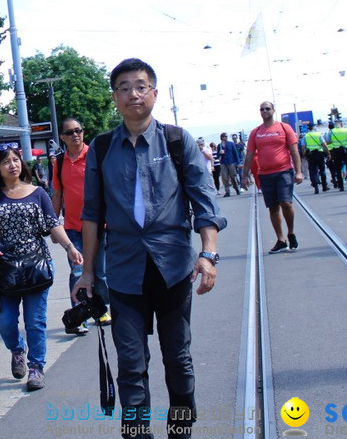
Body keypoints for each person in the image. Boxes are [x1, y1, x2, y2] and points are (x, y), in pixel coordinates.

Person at [75, 58, 225, 437]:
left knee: (178, 357)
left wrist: (207, 255)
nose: (133, 94)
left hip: (173, 266)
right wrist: (88, 272)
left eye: (140, 86)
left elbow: (205, 203)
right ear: (115, 97)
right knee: (130, 361)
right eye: (124, 88)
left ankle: (180, 428)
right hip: (125, 271)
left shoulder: (178, 141)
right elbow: (91, 214)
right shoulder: (103, 147)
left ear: (154, 93)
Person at [0, 143, 83, 391]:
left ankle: (36, 367)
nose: (12, 165)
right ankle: (17, 349)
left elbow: (52, 224)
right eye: (6, 161)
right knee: (5, 320)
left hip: (37, 264)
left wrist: (69, 246)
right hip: (5, 268)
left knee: (35, 321)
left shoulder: (38, 193)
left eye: (15, 159)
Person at [51, 117, 109, 337]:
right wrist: (53, 224)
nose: (76, 134)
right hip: (73, 227)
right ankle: (80, 315)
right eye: (70, 132)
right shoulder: (60, 162)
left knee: (100, 272)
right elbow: (57, 193)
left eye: (79, 130)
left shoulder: (94, 156)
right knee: (78, 271)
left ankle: (101, 311)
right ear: (63, 138)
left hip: (97, 225)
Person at [242, 102, 304, 254]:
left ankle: (291, 233)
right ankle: (281, 240)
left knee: (286, 203)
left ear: (273, 111)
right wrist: (245, 175)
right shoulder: (256, 132)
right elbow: (249, 154)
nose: (264, 111)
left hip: (283, 171)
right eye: (262, 109)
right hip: (265, 174)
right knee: (273, 207)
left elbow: (294, 151)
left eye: (267, 108)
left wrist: (299, 171)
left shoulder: (284, 128)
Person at [303, 121, 330, 192]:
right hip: (319, 154)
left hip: (311, 155)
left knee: (312, 171)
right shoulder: (318, 134)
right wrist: (328, 153)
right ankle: (324, 186)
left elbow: (303, 147)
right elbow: (324, 144)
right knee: (322, 171)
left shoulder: (306, 136)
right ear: (313, 127)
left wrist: (305, 155)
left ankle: (316, 187)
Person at [216, 132, 241, 196]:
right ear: (222, 137)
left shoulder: (231, 144)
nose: (226, 137)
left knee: (233, 177)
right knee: (225, 178)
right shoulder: (219, 145)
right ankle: (227, 191)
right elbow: (217, 155)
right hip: (223, 163)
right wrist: (220, 153)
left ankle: (237, 189)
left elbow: (235, 153)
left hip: (231, 162)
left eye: (226, 136)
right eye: (225, 136)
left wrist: (238, 162)